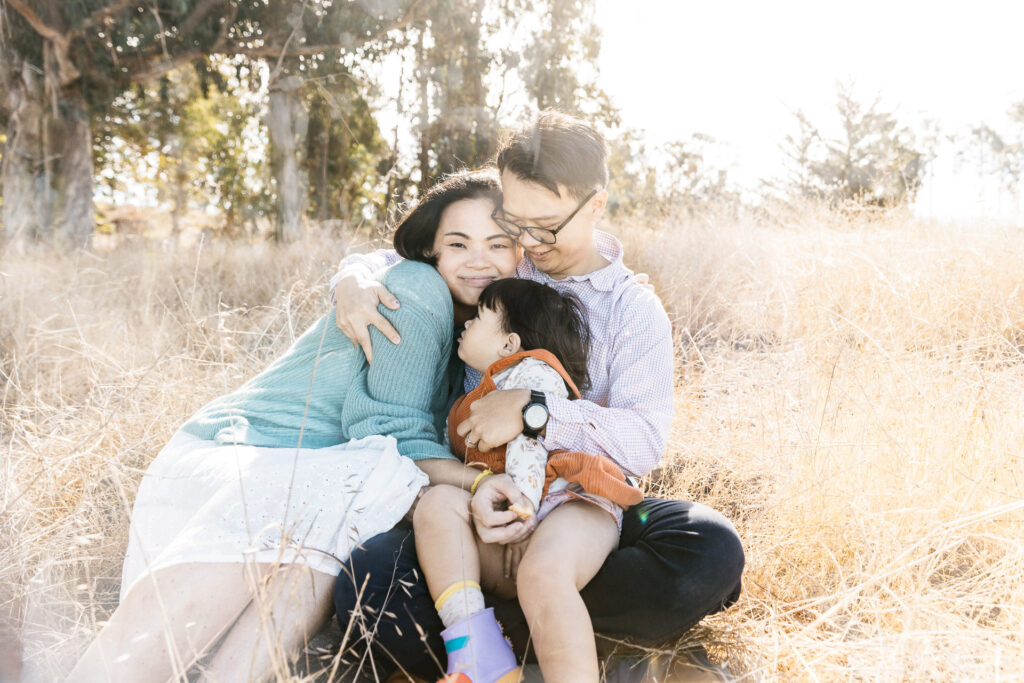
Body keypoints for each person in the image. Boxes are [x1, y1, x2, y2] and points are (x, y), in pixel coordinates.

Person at [331, 111, 745, 680]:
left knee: (709, 546)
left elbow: (644, 441)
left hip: (578, 508)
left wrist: (534, 413)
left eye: (545, 227)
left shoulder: (632, 311)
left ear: (595, 204)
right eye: (514, 222)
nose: (525, 243)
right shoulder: (503, 259)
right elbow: (425, 251)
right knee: (369, 579)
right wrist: (352, 276)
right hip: (482, 507)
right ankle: (539, 639)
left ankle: (518, 634)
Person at [67, 169, 519, 683]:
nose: (478, 259)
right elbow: (390, 435)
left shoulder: (477, 332)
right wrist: (479, 483)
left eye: (498, 244)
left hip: (323, 479)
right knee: (141, 660)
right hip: (252, 452)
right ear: (431, 252)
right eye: (457, 243)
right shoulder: (420, 288)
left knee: (338, 526)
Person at [417, 278, 645, 682]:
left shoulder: (532, 374)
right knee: (436, 506)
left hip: (570, 502)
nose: (465, 324)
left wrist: (522, 506)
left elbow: (529, 444)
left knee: (543, 572)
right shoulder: (488, 386)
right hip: (516, 511)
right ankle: (476, 647)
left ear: (509, 345)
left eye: (479, 318)